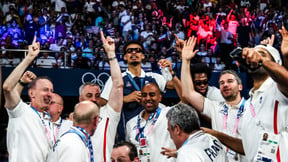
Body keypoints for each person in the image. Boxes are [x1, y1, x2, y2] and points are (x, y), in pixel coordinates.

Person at [202, 27, 288, 161]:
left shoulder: (275, 89)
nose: (256, 57)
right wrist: (215, 134)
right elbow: (246, 146)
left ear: (275, 63)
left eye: (263, 55)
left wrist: (262, 60)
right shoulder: (249, 103)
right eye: (255, 55)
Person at [181, 36, 247, 161]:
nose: (225, 85)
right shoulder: (215, 107)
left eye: (229, 81)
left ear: (240, 86)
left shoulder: (251, 109)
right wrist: (185, 60)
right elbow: (188, 93)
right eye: (221, 83)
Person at [101, 40, 182, 142]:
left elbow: (181, 89)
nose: (134, 53)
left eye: (137, 50)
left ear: (143, 56)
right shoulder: (117, 78)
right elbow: (102, 102)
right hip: (129, 136)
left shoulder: (153, 77)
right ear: (125, 57)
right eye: (130, 51)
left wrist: (171, 72)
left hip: (155, 134)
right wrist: (125, 99)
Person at [3, 37, 55, 162]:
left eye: (51, 91)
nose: (49, 94)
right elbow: (8, 87)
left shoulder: (48, 120)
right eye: (45, 90)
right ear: (32, 93)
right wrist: (29, 58)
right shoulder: (21, 111)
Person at [78, 31, 124, 162]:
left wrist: (111, 54)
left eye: (97, 95)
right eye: (89, 95)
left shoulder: (109, 114)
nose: (93, 99)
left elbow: (118, 85)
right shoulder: (70, 123)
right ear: (80, 99)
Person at [126, 83, 177, 162]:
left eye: (152, 95)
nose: (148, 98)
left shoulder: (169, 114)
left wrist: (173, 75)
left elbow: (186, 97)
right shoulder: (131, 123)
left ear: (160, 98)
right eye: (144, 95)